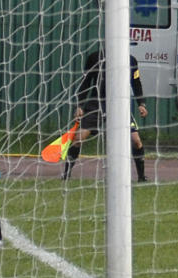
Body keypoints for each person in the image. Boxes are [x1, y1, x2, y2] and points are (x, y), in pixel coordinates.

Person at [62, 51, 150, 182]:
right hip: (97, 103)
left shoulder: (131, 60)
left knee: (136, 141)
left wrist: (141, 103)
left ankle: (142, 177)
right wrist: (79, 105)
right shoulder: (95, 57)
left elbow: (136, 82)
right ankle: (66, 175)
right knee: (78, 138)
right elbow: (85, 82)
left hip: (120, 104)